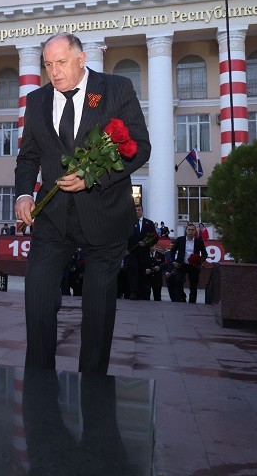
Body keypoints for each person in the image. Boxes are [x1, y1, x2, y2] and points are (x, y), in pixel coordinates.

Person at [14, 32, 150, 375]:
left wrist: (94, 177)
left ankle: (93, 383)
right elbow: (28, 156)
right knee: (39, 297)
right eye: (48, 64)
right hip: (53, 216)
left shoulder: (117, 88)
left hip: (104, 214)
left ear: (81, 58)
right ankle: (40, 381)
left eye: (61, 62)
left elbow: (139, 146)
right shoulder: (36, 100)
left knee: (97, 308)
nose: (54, 71)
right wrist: (24, 194)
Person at [170, 222, 208, 303]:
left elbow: (205, 254)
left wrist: (199, 260)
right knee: (178, 281)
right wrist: (173, 262)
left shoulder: (199, 242)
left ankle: (192, 303)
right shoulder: (180, 240)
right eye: (189, 230)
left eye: (192, 230)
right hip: (181, 265)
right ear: (186, 231)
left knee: (193, 286)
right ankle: (182, 297)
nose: (191, 231)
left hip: (193, 266)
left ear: (195, 231)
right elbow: (172, 251)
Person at [125, 203, 157, 300]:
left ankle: (143, 294)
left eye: (139, 210)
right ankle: (133, 292)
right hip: (131, 252)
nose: (137, 212)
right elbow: (123, 237)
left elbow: (154, 237)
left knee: (143, 272)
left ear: (142, 211)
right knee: (133, 270)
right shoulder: (128, 223)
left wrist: (147, 244)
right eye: (135, 210)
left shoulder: (149, 223)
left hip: (144, 252)